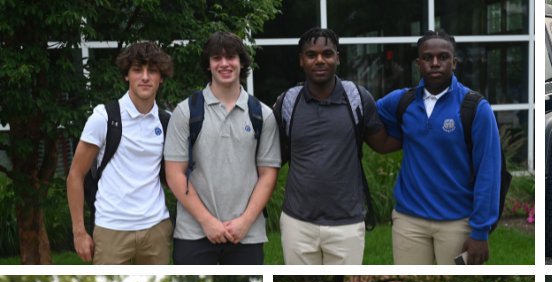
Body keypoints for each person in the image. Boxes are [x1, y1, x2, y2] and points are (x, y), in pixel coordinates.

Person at [274, 28, 398, 264]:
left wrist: (420, 130)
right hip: (297, 223)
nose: (320, 60)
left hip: (347, 224)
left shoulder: (357, 98)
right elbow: (273, 158)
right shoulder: (289, 102)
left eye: (327, 53)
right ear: (301, 60)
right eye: (311, 55)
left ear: (337, 58)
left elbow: (382, 143)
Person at [376, 31, 501, 265]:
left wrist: (480, 231)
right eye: (427, 57)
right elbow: (364, 115)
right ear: (418, 63)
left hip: (456, 221)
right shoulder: (401, 101)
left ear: (454, 62)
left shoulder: (475, 107)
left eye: (443, 57)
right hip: (408, 220)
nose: (435, 63)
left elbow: (489, 172)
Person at [164, 32, 281, 264]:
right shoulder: (186, 112)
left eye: (231, 57)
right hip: (194, 232)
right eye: (217, 58)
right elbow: (174, 173)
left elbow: (268, 175)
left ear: (242, 62)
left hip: (246, 234)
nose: (224, 64)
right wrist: (207, 221)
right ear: (208, 65)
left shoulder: (262, 115)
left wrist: (245, 221)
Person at [66, 41, 173, 265]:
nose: (145, 77)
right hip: (111, 230)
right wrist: (79, 232)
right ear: (127, 75)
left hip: (156, 230)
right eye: (137, 70)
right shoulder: (104, 118)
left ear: (161, 77)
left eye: (152, 70)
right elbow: (75, 174)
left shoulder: (166, 122)